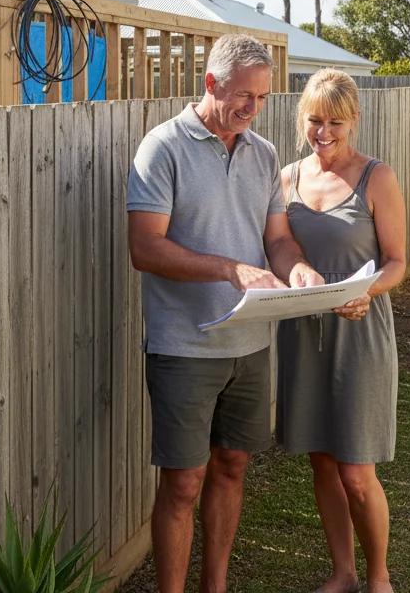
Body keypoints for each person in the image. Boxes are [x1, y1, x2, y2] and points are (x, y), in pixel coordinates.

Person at [127, 33, 324, 593]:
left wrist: (299, 270)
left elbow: (277, 239)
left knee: (233, 467)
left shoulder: (262, 154)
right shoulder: (162, 148)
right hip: (185, 345)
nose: (253, 109)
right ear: (210, 83)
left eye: (262, 99)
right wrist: (232, 269)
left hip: (251, 345)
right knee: (184, 483)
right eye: (244, 96)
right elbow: (145, 248)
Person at [276, 69, 407, 593]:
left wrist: (366, 292)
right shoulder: (286, 178)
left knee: (356, 471)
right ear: (301, 118)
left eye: (335, 121)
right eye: (314, 120)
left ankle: (379, 577)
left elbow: (398, 262)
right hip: (303, 334)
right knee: (323, 464)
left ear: (355, 120)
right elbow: (279, 249)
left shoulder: (377, 177)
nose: (323, 132)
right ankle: (343, 573)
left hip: (362, 332)